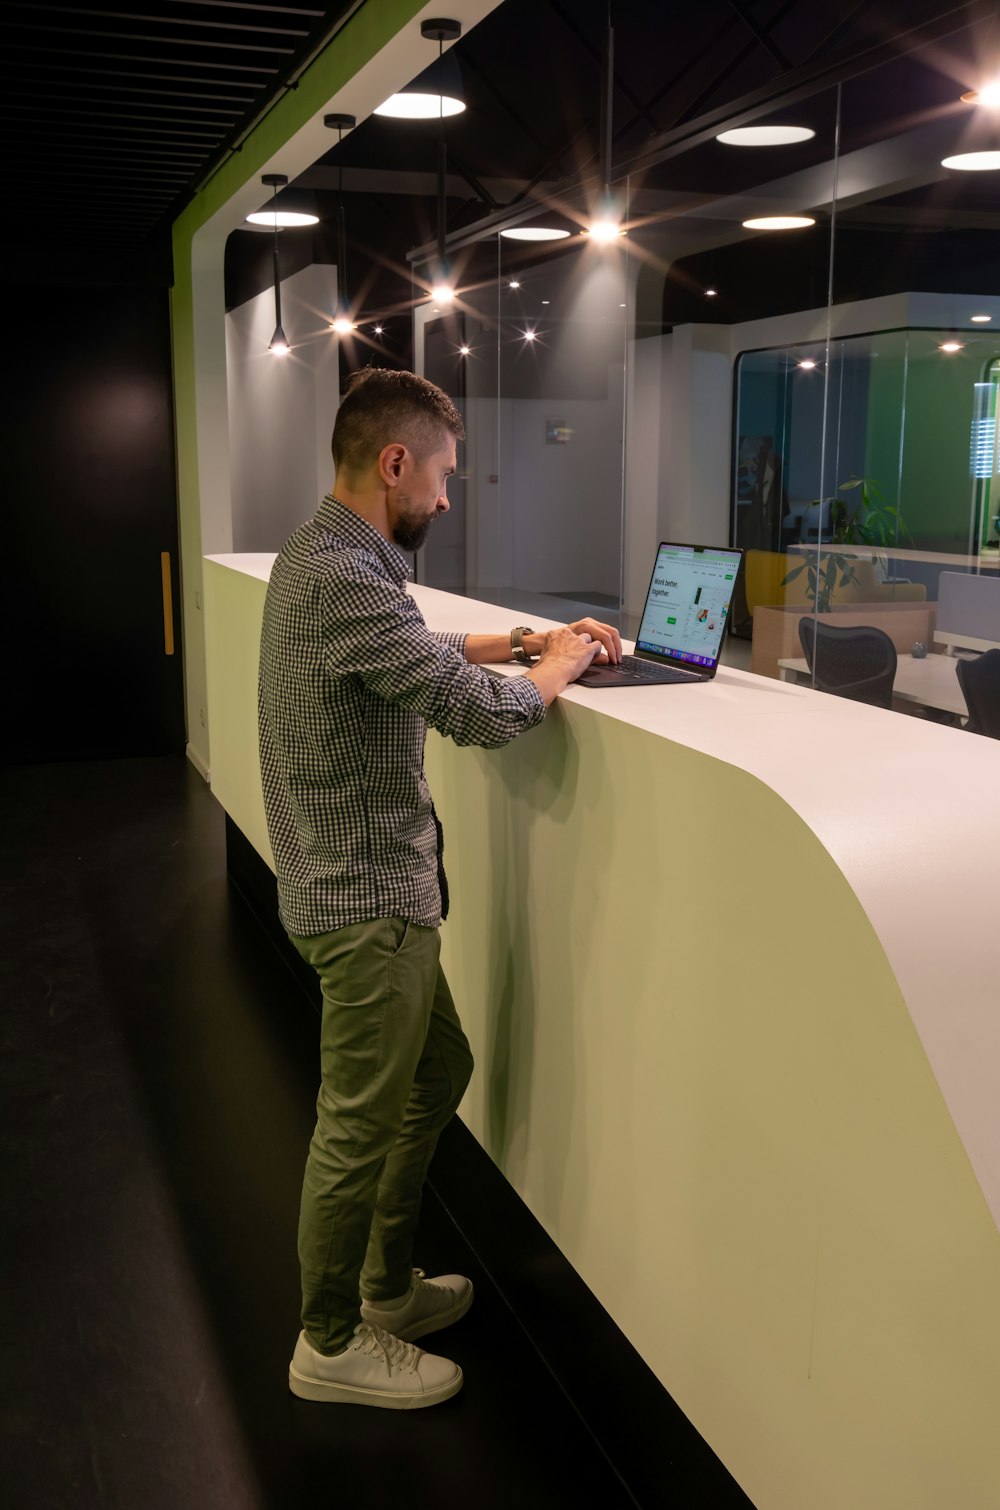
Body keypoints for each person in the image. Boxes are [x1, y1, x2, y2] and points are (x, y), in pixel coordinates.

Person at [258, 367, 621, 1410]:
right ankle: (329, 1336)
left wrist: (521, 640)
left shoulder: (331, 554)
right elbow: (479, 715)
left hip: (367, 886)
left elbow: (413, 647)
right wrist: (555, 667)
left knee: (436, 1068)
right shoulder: (341, 575)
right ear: (394, 463)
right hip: (363, 898)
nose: (448, 500)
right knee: (358, 1118)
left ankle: (383, 1285)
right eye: (444, 477)